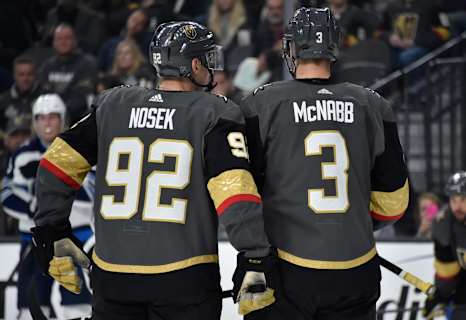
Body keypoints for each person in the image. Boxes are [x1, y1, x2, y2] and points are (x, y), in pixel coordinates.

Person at [31, 21, 275, 320]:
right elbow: (235, 192)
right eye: (207, 58)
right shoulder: (213, 112)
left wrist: (51, 230)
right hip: (184, 276)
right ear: (194, 64)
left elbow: (54, 165)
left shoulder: (114, 104)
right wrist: (254, 254)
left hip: (113, 276)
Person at [240, 7, 410, 320]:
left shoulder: (261, 103)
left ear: (291, 48)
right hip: (356, 267)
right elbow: (394, 203)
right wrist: (352, 221)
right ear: (334, 46)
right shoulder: (372, 104)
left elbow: (242, 192)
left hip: (288, 267)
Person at [1, 94, 94, 319]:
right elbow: (6, 194)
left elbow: (92, 195)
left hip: (75, 238)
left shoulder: (81, 148)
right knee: (30, 305)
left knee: (78, 305)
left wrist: (52, 208)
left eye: (53, 117)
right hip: (34, 241)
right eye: (41, 118)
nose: (47, 123)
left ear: (63, 119)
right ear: (33, 121)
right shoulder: (22, 155)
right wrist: (34, 210)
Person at [423, 170, 466, 320]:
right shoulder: (444, 223)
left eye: (463, 200)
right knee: (462, 311)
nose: (457, 206)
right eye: (453, 200)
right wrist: (440, 297)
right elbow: (446, 269)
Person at [37, 24, 98, 123]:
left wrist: (60, 112)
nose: (63, 42)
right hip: (52, 119)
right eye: (59, 39)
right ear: (54, 42)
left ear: (75, 41)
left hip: (80, 120)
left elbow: (81, 98)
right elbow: (44, 95)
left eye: (67, 38)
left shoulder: (87, 64)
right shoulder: (47, 66)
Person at [0, 55, 39, 134]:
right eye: (21, 74)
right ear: (14, 75)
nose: (25, 79)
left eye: (29, 74)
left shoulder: (45, 98)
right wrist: (5, 138)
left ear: (35, 75)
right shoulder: (3, 99)